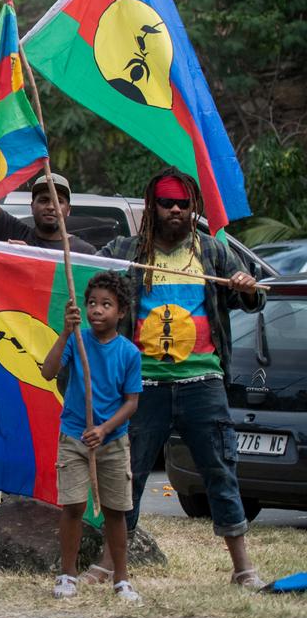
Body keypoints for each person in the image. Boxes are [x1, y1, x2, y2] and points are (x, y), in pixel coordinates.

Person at [91, 169, 266, 589]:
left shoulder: (213, 252)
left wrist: (245, 284)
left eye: (183, 204)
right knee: (126, 477)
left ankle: (243, 570)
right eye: (167, 202)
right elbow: (82, 269)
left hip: (203, 383)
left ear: (194, 209)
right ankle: (107, 566)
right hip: (141, 388)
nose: (175, 210)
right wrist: (28, 248)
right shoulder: (127, 250)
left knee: (221, 472)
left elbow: (256, 298)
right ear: (151, 206)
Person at [41, 271, 143, 605]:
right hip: (74, 436)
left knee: (115, 511)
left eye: (106, 305)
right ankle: (67, 573)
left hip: (112, 442)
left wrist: (104, 429)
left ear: (122, 312)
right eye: (92, 304)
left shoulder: (128, 353)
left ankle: (122, 578)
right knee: (72, 506)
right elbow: (48, 371)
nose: (97, 310)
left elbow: (131, 402)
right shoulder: (77, 339)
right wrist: (66, 332)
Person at [0, 172, 96, 254]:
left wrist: (30, 259)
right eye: (44, 200)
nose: (50, 207)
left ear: (68, 210)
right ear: (32, 206)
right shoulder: (15, 233)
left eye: (58, 201)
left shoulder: (84, 252)